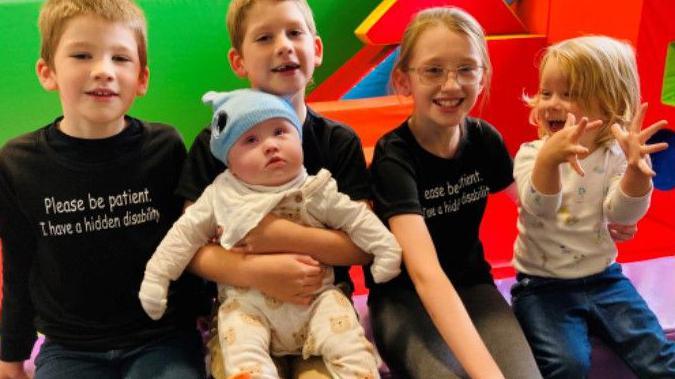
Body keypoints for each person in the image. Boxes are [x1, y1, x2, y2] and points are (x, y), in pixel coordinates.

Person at [0, 1, 207, 378]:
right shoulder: (18, 162)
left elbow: (189, 238)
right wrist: (11, 355)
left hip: (161, 338)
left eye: (121, 58)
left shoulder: (165, 147)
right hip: (70, 348)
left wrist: (210, 319)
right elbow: (18, 265)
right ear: (48, 73)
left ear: (142, 78)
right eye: (82, 54)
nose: (103, 71)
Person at [140, 88, 401, 378]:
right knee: (241, 349)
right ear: (231, 164)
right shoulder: (221, 195)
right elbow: (183, 237)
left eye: (280, 132)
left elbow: (360, 221)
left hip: (316, 301)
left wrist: (386, 251)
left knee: (349, 345)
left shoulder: (317, 189)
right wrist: (156, 278)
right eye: (251, 140)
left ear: (300, 142)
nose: (270, 146)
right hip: (249, 306)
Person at [177, 1, 374, 378]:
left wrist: (276, 235)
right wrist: (255, 270)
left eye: (294, 33)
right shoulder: (214, 145)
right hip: (244, 314)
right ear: (239, 61)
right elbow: (191, 248)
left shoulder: (338, 141)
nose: (283, 46)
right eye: (265, 37)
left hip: (322, 309)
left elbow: (364, 243)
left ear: (316, 49)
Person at [367, 7, 544, 379]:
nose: (451, 85)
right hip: (405, 298)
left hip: (472, 286)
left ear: (483, 77)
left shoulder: (485, 139)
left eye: (466, 69)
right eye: (433, 70)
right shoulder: (394, 156)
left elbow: (534, 207)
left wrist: (598, 214)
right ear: (404, 81)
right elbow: (425, 273)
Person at [511, 35, 675, 379]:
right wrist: (549, 161)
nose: (552, 103)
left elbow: (621, 214)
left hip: (605, 279)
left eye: (569, 94)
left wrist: (634, 172)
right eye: (546, 93)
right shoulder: (531, 154)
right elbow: (539, 206)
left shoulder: (614, 156)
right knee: (568, 364)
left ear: (608, 104)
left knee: (658, 356)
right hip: (542, 288)